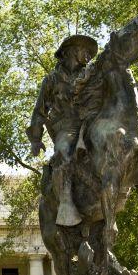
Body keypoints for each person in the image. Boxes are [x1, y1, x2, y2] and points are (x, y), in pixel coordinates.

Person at [26, 34, 98, 226]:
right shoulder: (51, 80)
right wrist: (35, 138)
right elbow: (39, 111)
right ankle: (66, 201)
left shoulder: (92, 74)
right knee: (63, 151)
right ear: (71, 51)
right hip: (67, 126)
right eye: (85, 50)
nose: (89, 55)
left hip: (92, 122)